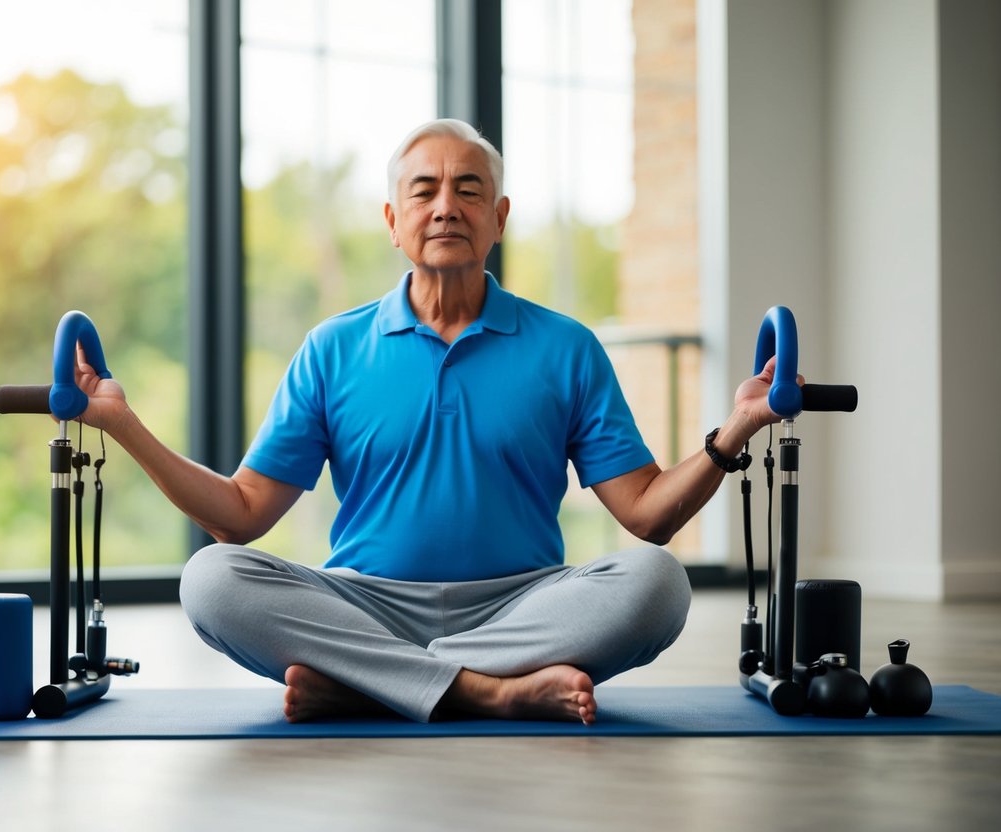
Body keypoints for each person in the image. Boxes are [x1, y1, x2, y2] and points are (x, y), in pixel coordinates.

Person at [73, 119, 784, 725]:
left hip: (522, 606)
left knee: (657, 583)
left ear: (498, 218)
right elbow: (241, 516)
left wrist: (737, 427)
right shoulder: (333, 348)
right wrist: (124, 425)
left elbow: (648, 517)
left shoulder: (565, 348)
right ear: (393, 222)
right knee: (210, 579)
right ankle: (485, 694)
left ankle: (370, 685)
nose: (446, 207)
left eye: (468, 190)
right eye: (423, 190)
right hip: (366, 604)